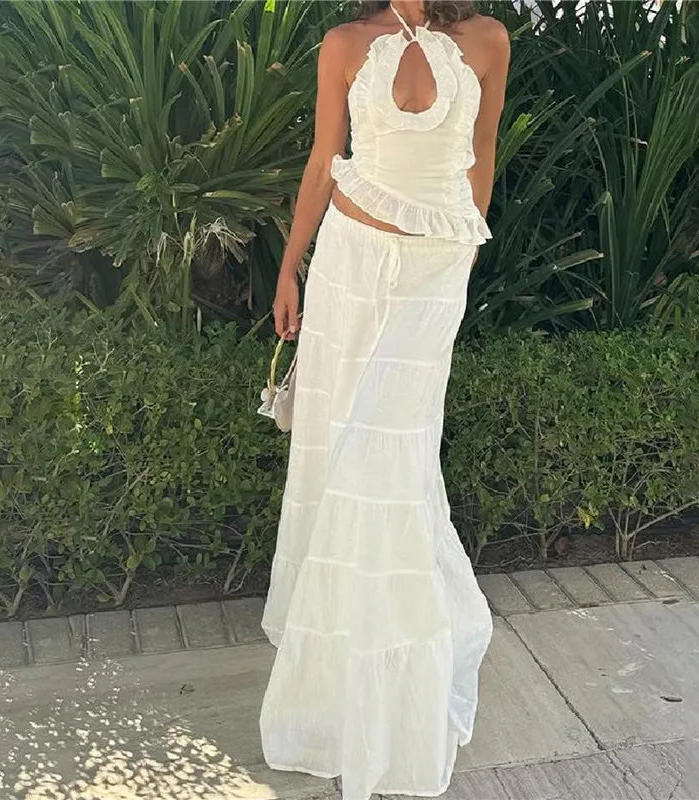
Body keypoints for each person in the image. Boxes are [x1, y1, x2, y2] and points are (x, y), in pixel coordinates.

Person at [259, 2, 510, 798]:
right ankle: (335, 690)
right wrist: (290, 264)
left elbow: (483, 151)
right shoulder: (343, 44)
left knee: (386, 453)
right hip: (348, 263)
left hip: (437, 270)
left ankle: (398, 674)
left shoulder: (486, 39)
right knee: (341, 450)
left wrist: (464, 247)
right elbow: (321, 160)